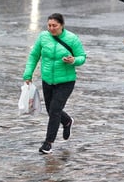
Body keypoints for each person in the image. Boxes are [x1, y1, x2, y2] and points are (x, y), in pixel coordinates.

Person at [23, 13, 87, 154]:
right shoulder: (43, 37)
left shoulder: (72, 39)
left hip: (66, 81)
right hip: (47, 80)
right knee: (51, 110)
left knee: (55, 110)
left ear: (61, 25)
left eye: (55, 25)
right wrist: (28, 74)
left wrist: (74, 60)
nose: (51, 28)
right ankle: (67, 121)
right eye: (49, 25)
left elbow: (82, 57)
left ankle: (48, 143)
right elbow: (34, 55)